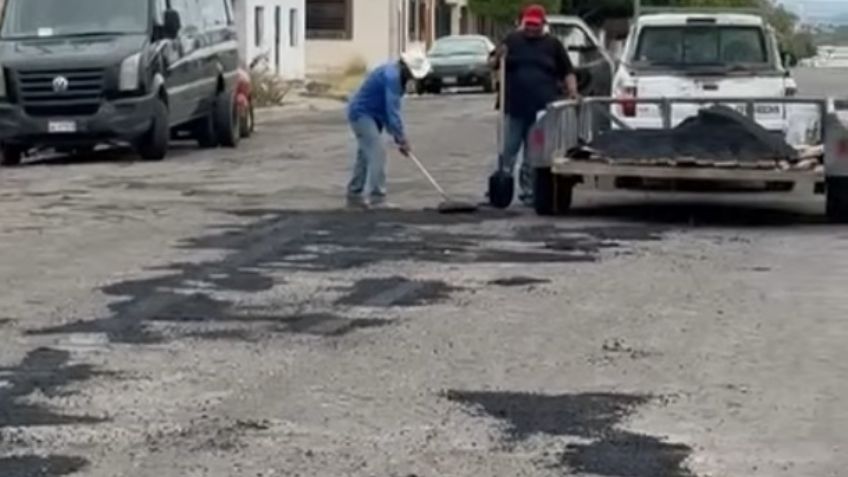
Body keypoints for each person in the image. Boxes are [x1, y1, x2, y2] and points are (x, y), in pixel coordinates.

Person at [489, 4, 578, 206]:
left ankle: (528, 192)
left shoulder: (553, 45)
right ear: (523, 23)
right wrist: (498, 57)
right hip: (514, 106)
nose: (531, 29)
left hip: (541, 111)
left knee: (533, 153)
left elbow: (567, 71)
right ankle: (502, 188)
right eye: (528, 25)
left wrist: (572, 91)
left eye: (535, 26)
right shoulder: (512, 40)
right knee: (509, 150)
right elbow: (492, 63)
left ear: (543, 24)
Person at [345, 51, 431, 209]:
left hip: (373, 115)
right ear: (406, 67)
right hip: (362, 114)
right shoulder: (392, 77)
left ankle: (354, 193)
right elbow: (392, 111)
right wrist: (401, 138)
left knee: (365, 154)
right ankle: (378, 198)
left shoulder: (395, 74)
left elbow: (388, 112)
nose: (413, 78)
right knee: (377, 152)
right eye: (412, 74)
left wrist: (399, 138)